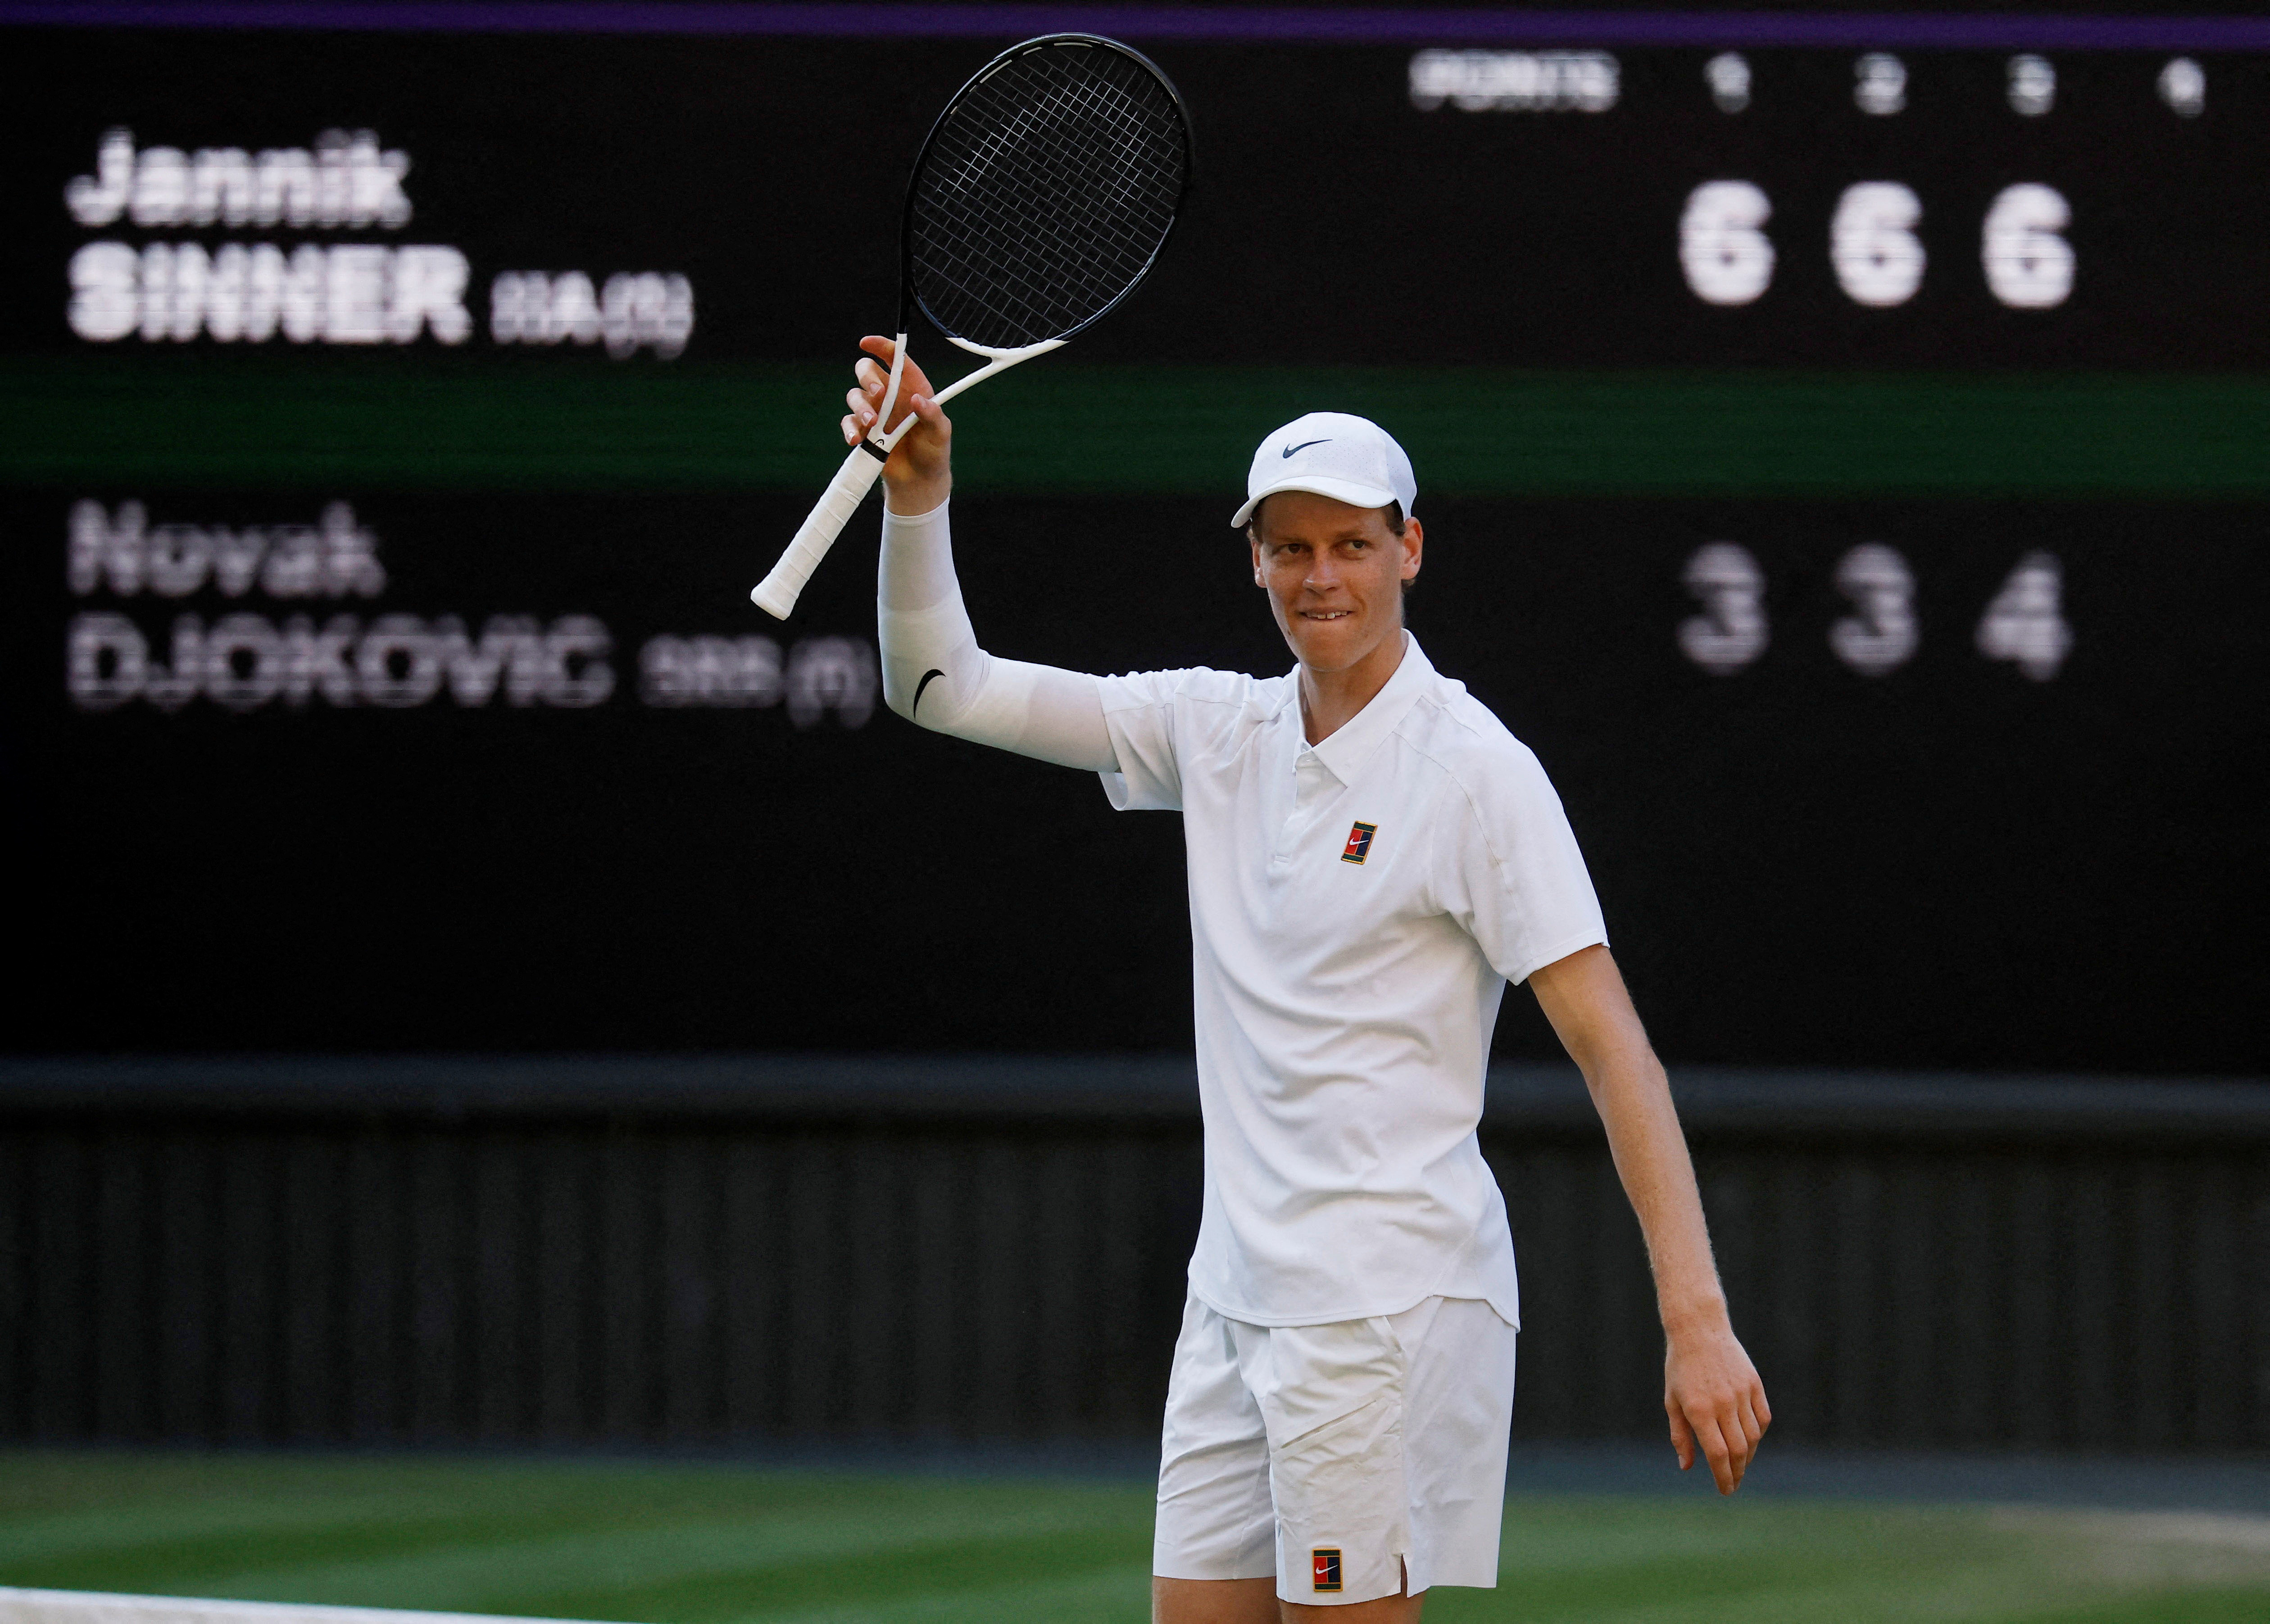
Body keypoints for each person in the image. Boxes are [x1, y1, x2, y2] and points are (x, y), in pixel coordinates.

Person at [843, 337, 1770, 1623]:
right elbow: (943, 688)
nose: (1318, 574)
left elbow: (1619, 1054)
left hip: (1384, 1313)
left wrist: (1699, 1320)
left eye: (1349, 543)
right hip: (1232, 1305)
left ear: (1411, 551)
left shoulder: (1476, 772)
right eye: (1290, 547)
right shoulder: (1218, 728)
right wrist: (918, 494)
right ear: (1257, 561)